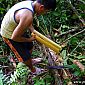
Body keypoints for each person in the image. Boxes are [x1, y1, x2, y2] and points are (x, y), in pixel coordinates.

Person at [1, 0, 56, 75]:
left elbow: (26, 21)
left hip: (16, 29)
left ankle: (31, 60)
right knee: (24, 56)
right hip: (9, 35)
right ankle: (33, 70)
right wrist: (30, 39)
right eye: (46, 11)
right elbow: (14, 37)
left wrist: (33, 30)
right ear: (41, 7)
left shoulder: (31, 3)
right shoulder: (28, 15)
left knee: (30, 45)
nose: (44, 13)